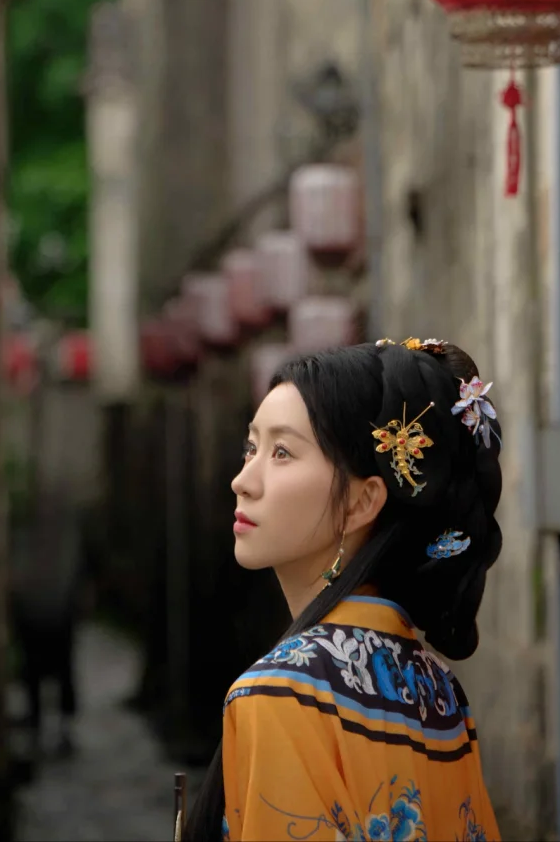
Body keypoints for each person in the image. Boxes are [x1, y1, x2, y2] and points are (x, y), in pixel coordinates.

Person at [183, 338, 503, 842]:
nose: (242, 480)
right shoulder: (438, 692)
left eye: (282, 452)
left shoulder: (280, 692)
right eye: (252, 447)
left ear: (361, 502)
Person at [9, 488, 85, 757]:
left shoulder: (62, 540)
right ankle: (40, 729)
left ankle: (61, 729)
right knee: (36, 674)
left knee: (59, 673)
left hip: (55, 616)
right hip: (38, 616)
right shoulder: (28, 539)